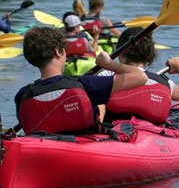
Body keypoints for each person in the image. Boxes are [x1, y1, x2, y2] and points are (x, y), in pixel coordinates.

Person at [14, 26, 146, 135]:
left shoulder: (22, 95)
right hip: (84, 150)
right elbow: (141, 77)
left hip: (43, 150)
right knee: (102, 107)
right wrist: (109, 64)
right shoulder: (86, 84)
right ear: (58, 51)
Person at [100, 27, 179, 125]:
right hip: (148, 132)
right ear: (149, 55)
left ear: (119, 52)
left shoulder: (107, 76)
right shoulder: (163, 83)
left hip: (110, 130)